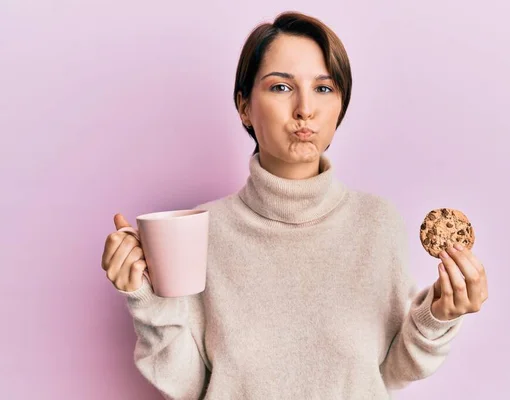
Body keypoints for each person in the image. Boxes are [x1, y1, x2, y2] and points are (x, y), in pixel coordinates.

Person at [100, 11, 488, 400]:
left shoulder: (377, 224)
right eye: (281, 87)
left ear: (340, 106)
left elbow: (389, 373)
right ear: (244, 107)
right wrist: (145, 298)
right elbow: (186, 386)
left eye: (324, 88)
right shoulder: (199, 231)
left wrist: (439, 313)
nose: (305, 109)